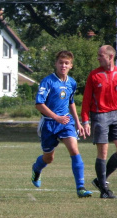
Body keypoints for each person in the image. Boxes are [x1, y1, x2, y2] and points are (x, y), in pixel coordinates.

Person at [30, 50, 93, 198]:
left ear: (71, 65)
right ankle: (36, 168)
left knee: (74, 149)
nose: (63, 65)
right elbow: (39, 104)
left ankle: (80, 188)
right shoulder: (48, 81)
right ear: (56, 64)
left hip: (66, 122)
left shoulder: (72, 82)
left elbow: (71, 103)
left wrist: (78, 123)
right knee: (48, 158)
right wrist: (56, 117)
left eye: (66, 63)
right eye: (60, 63)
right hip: (49, 124)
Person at [81, 45, 117, 199]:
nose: (97, 58)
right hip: (99, 115)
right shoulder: (94, 75)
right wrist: (85, 121)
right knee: (102, 152)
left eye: (100, 55)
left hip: (116, 115)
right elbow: (86, 100)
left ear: (110, 57)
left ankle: (99, 181)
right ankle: (104, 190)